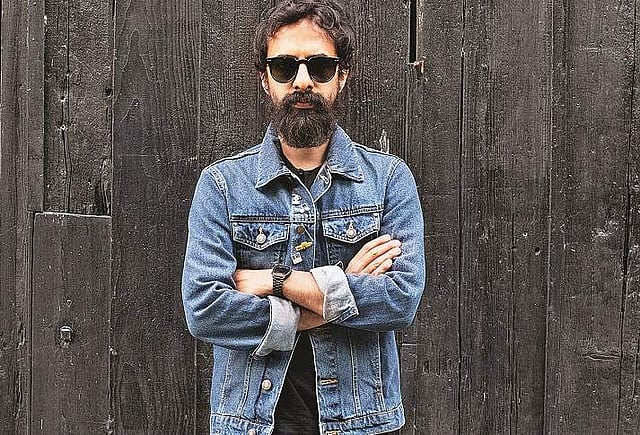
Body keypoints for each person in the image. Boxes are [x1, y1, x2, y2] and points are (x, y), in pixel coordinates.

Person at [181, 1, 426, 433]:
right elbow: (205, 309)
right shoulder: (221, 185)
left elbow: (400, 300)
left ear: (341, 75)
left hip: (360, 422)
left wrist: (275, 281)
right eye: (284, 67)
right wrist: (338, 292)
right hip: (251, 424)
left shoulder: (389, 180)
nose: (302, 81)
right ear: (265, 79)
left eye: (320, 67)